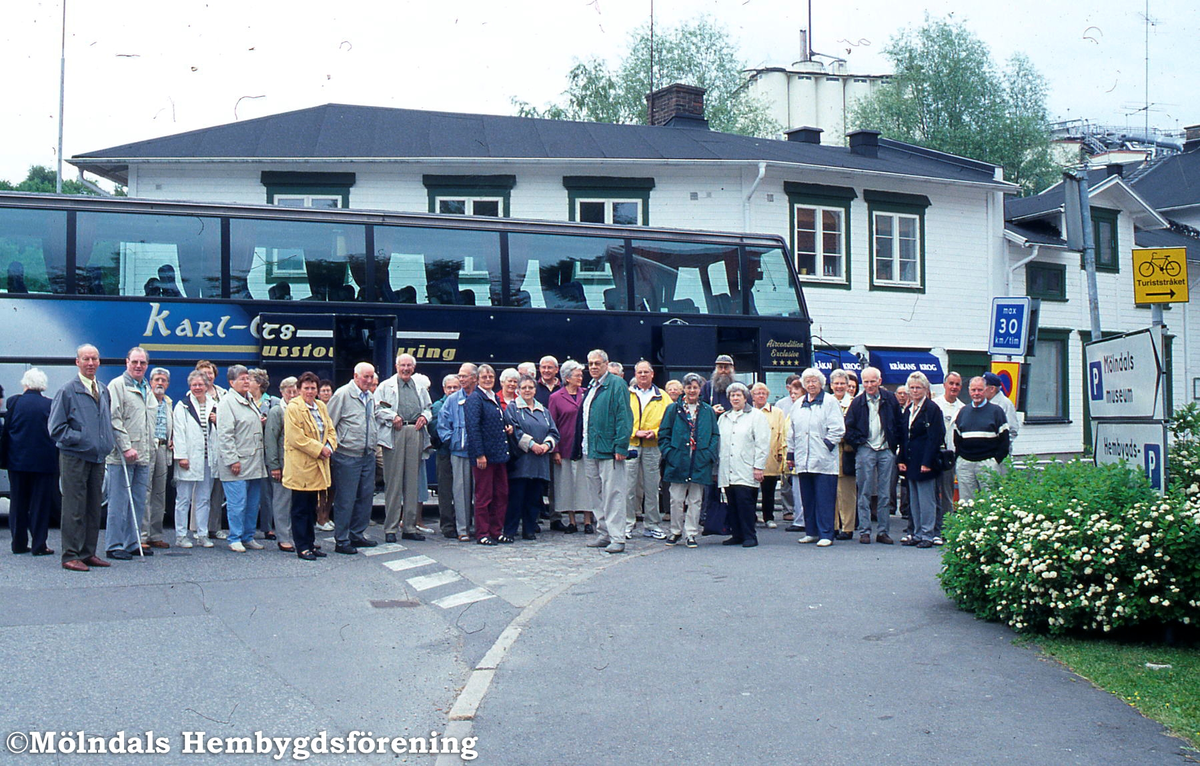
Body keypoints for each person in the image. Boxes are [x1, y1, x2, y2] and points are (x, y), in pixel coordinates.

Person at [50, 344, 115, 572]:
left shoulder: (104, 390)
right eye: (86, 359)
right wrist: (82, 439)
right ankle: (70, 555)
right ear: (77, 362)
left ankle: (88, 553)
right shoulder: (67, 391)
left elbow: (106, 422)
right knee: (74, 507)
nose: (90, 363)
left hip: (97, 458)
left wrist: (106, 441)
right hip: (74, 457)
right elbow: (56, 428)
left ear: (99, 362)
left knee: (93, 508)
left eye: (94, 359)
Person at [105, 346, 156, 560]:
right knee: (118, 501)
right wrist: (125, 447)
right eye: (134, 362)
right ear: (127, 362)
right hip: (122, 456)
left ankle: (132, 542)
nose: (138, 366)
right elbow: (114, 418)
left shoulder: (147, 387)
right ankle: (114, 544)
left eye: (142, 363)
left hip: (143, 454)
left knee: (138, 501)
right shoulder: (117, 385)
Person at [375, 353, 432, 543]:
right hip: (395, 431)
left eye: (409, 365)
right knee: (394, 482)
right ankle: (390, 528)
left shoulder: (420, 386)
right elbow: (377, 409)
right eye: (402, 365)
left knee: (412, 482)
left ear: (413, 368)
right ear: (396, 366)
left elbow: (428, 408)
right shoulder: (385, 386)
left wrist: (425, 417)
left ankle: (409, 526)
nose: (406, 369)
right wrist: (392, 417)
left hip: (415, 430)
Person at [325, 362, 381, 553]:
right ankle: (341, 540)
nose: (369, 380)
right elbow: (329, 424)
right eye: (365, 376)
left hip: (367, 454)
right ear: (355, 376)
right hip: (347, 455)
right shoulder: (342, 394)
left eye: (371, 376)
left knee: (365, 498)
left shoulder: (370, 396)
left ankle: (357, 535)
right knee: (346, 499)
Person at [582, 349, 634, 554]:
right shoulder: (592, 386)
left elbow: (624, 416)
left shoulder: (616, 385)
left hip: (609, 450)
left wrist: (621, 445)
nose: (593, 367)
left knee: (614, 494)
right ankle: (603, 532)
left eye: (597, 363)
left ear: (606, 364)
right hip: (590, 448)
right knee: (596, 495)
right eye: (590, 364)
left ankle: (617, 537)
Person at [658, 373, 718, 549]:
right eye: (689, 387)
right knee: (676, 499)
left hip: (699, 461)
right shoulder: (673, 409)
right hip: (678, 460)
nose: (692, 390)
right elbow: (664, 434)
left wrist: (708, 454)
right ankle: (675, 531)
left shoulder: (707, 410)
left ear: (700, 389)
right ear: (684, 389)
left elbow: (715, 435)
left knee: (695, 499)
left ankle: (691, 533)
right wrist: (670, 454)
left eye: (695, 387)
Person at [4, 368, 59, 556]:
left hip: (17, 462)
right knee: (40, 505)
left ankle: (18, 544)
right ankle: (39, 545)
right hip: (43, 464)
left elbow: (8, 431)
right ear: (42, 386)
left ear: (25, 384)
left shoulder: (14, 402)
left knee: (18, 503)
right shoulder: (50, 405)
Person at [844, 366, 901, 545]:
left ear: (879, 381)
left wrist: (893, 445)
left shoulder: (890, 399)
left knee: (885, 493)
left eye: (872, 381)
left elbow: (899, 423)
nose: (869, 385)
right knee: (864, 491)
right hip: (866, 448)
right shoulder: (857, 402)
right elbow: (849, 428)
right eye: (866, 382)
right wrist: (860, 443)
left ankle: (883, 531)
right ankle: (865, 531)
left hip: (885, 449)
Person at [788, 367, 845, 547]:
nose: (811, 384)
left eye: (814, 381)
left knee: (824, 499)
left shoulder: (829, 402)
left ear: (821, 383)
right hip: (803, 459)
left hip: (824, 459)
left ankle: (826, 533)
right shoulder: (798, 404)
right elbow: (792, 431)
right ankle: (811, 531)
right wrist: (791, 453)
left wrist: (826, 445)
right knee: (808, 498)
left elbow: (838, 428)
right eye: (808, 381)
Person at [285, 372, 337, 561]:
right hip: (301, 465)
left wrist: (330, 446)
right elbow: (295, 437)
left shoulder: (321, 406)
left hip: (318, 464)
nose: (310, 391)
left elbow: (330, 429)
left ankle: (311, 543)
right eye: (306, 388)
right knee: (300, 507)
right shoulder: (293, 408)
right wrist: (319, 449)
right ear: (299, 390)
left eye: (313, 388)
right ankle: (302, 547)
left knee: (312, 506)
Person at [216, 364, 267, 552]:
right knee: (237, 504)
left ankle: (248, 536)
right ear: (231, 382)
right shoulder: (227, 402)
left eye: (248, 378)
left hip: (254, 462)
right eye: (242, 378)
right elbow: (225, 434)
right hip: (237, 463)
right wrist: (232, 460)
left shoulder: (250, 399)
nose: (246, 381)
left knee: (253, 504)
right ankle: (234, 537)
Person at [501, 376, 559, 542]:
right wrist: (532, 444)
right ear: (518, 390)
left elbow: (554, 432)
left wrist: (547, 446)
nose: (527, 390)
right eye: (524, 387)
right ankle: (510, 531)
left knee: (534, 498)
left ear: (535, 390)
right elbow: (516, 431)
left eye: (531, 388)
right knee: (516, 498)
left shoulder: (544, 411)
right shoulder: (512, 409)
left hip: (540, 461)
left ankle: (529, 529)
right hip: (521, 461)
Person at [717, 382, 769, 548]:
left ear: (745, 397)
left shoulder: (756, 416)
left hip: (746, 467)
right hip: (728, 467)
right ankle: (737, 534)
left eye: (738, 395)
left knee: (745, 503)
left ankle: (749, 535)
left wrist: (759, 466)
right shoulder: (723, 418)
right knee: (731, 502)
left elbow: (762, 443)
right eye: (732, 395)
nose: (735, 398)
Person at [898, 372, 945, 549]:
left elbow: (935, 437)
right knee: (914, 500)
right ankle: (917, 533)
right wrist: (901, 458)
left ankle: (928, 533)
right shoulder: (908, 409)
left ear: (926, 389)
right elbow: (904, 436)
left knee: (927, 500)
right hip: (911, 460)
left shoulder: (932, 409)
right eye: (912, 387)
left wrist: (927, 462)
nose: (915, 390)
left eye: (918, 387)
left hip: (926, 460)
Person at [465, 364, 509, 545]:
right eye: (484, 377)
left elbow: (498, 420)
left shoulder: (494, 398)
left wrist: (508, 427)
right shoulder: (475, 399)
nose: (488, 379)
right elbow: (473, 428)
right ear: (477, 379)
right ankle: (482, 533)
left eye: (491, 376)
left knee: (501, 493)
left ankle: (496, 531)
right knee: (484, 496)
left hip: (499, 454)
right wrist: (479, 454)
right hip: (484, 457)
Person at [172, 370, 217, 548]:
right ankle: (181, 535)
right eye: (194, 385)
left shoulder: (215, 405)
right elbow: (178, 432)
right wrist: (181, 456)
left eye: (200, 385)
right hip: (189, 459)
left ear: (207, 386)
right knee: (183, 498)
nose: (197, 388)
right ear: (189, 386)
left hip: (208, 459)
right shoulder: (182, 406)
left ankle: (202, 534)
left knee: (204, 498)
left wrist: (218, 419)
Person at [549, 360, 592, 534]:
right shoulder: (555, 397)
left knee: (586, 484)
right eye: (577, 375)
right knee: (567, 485)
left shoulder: (587, 394)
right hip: (565, 447)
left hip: (584, 447)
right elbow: (552, 425)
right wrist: (555, 450)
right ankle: (572, 521)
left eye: (581, 375)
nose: (581, 377)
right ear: (567, 378)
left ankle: (588, 520)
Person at [626, 360, 667, 539]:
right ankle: (627, 523)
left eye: (646, 372)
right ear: (635, 375)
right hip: (631, 444)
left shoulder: (663, 396)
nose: (642, 375)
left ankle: (652, 524)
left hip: (652, 446)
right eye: (639, 372)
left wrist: (655, 433)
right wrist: (635, 432)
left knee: (651, 487)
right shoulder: (626, 394)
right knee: (628, 486)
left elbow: (667, 422)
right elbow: (620, 419)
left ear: (652, 374)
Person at [954, 376, 1011, 504]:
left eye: (979, 390)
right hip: (966, 464)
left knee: (991, 502)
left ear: (986, 390)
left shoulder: (996, 411)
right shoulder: (963, 412)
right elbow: (957, 438)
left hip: (987, 464)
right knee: (967, 503)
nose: (976, 393)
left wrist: (995, 461)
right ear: (969, 391)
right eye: (973, 390)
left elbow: (1004, 441)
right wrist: (961, 458)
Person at [264, 376, 298, 551]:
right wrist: (274, 465)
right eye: (288, 391)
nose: (292, 394)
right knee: (281, 502)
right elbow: (270, 440)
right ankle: (283, 537)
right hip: (283, 465)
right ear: (282, 392)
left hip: (299, 465)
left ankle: (297, 535)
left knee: (297, 503)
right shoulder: (277, 412)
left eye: (295, 391)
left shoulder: (301, 409)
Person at [142, 367, 174, 550]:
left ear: (168, 384)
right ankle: (142, 536)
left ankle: (155, 535)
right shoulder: (145, 400)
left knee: (159, 494)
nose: (160, 383)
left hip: (162, 448)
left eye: (163, 380)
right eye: (156, 380)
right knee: (145, 492)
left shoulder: (168, 403)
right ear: (150, 382)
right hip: (148, 447)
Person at [750, 382, 787, 529]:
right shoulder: (749, 412)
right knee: (751, 490)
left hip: (770, 457)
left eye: (763, 393)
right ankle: (751, 516)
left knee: (769, 490)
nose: (760, 396)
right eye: (757, 393)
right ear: (752, 396)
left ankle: (768, 517)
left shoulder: (777, 413)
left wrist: (780, 452)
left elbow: (781, 433)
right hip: (751, 458)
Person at [933, 371, 964, 544]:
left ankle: (947, 527)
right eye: (951, 383)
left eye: (957, 384)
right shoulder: (934, 404)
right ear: (944, 384)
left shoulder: (963, 408)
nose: (954, 387)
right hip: (933, 453)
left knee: (947, 492)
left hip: (950, 457)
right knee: (931, 492)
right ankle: (932, 527)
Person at [248, 368, 279, 540]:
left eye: (250, 380)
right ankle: (248, 529)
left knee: (267, 491)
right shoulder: (245, 400)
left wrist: (268, 422)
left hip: (267, 451)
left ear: (259, 383)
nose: (247, 383)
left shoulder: (273, 402)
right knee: (250, 491)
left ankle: (268, 527)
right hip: (250, 451)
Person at [429, 373, 461, 539]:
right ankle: (447, 525)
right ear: (444, 389)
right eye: (449, 387)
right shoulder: (437, 407)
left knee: (461, 490)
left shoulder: (464, 402)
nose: (452, 390)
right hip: (445, 453)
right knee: (446, 491)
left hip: (462, 454)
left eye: (456, 387)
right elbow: (435, 431)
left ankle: (461, 522)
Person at [829, 370, 857, 540]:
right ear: (831, 385)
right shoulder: (826, 402)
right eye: (836, 384)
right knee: (830, 492)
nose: (839, 387)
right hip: (828, 452)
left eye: (842, 383)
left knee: (847, 493)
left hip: (847, 452)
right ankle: (832, 526)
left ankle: (848, 527)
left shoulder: (854, 403)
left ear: (847, 386)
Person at [776, 375, 803, 528]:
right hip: (790, 453)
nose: (792, 396)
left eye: (796, 394)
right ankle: (798, 518)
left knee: (802, 490)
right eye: (791, 393)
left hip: (803, 454)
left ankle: (803, 519)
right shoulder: (789, 407)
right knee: (793, 488)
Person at [983, 371, 1021, 449]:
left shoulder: (1005, 404)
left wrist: (1000, 446)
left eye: (983, 386)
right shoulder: (981, 402)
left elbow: (1012, 429)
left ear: (992, 389)